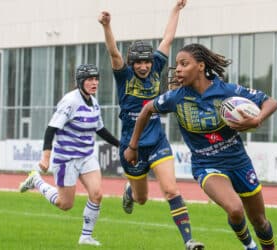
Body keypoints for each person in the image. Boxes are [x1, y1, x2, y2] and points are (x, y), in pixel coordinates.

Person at [124, 43, 277, 250]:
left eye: (184, 63)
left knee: (260, 221)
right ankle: (250, 246)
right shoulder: (176, 98)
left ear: (200, 66)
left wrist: (257, 119)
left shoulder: (227, 91)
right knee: (234, 209)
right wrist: (132, 146)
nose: (177, 68)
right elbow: (146, 111)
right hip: (206, 165)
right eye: (177, 64)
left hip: (239, 162)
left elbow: (271, 102)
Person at [98, 1, 204, 250]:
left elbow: (167, 38)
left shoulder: (157, 67)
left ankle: (189, 241)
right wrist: (107, 25)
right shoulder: (123, 76)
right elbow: (114, 52)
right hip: (131, 147)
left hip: (157, 141)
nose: (144, 66)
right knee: (142, 198)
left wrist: (176, 10)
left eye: (146, 62)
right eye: (139, 63)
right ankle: (130, 192)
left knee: (170, 190)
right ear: (132, 63)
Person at [19, 64, 120, 246]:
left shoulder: (95, 103)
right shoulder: (70, 101)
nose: (94, 82)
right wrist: (46, 157)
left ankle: (86, 237)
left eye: (96, 79)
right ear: (80, 82)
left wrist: (120, 145)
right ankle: (36, 181)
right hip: (66, 159)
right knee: (65, 204)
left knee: (96, 194)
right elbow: (51, 129)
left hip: (87, 156)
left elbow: (100, 129)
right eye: (89, 79)